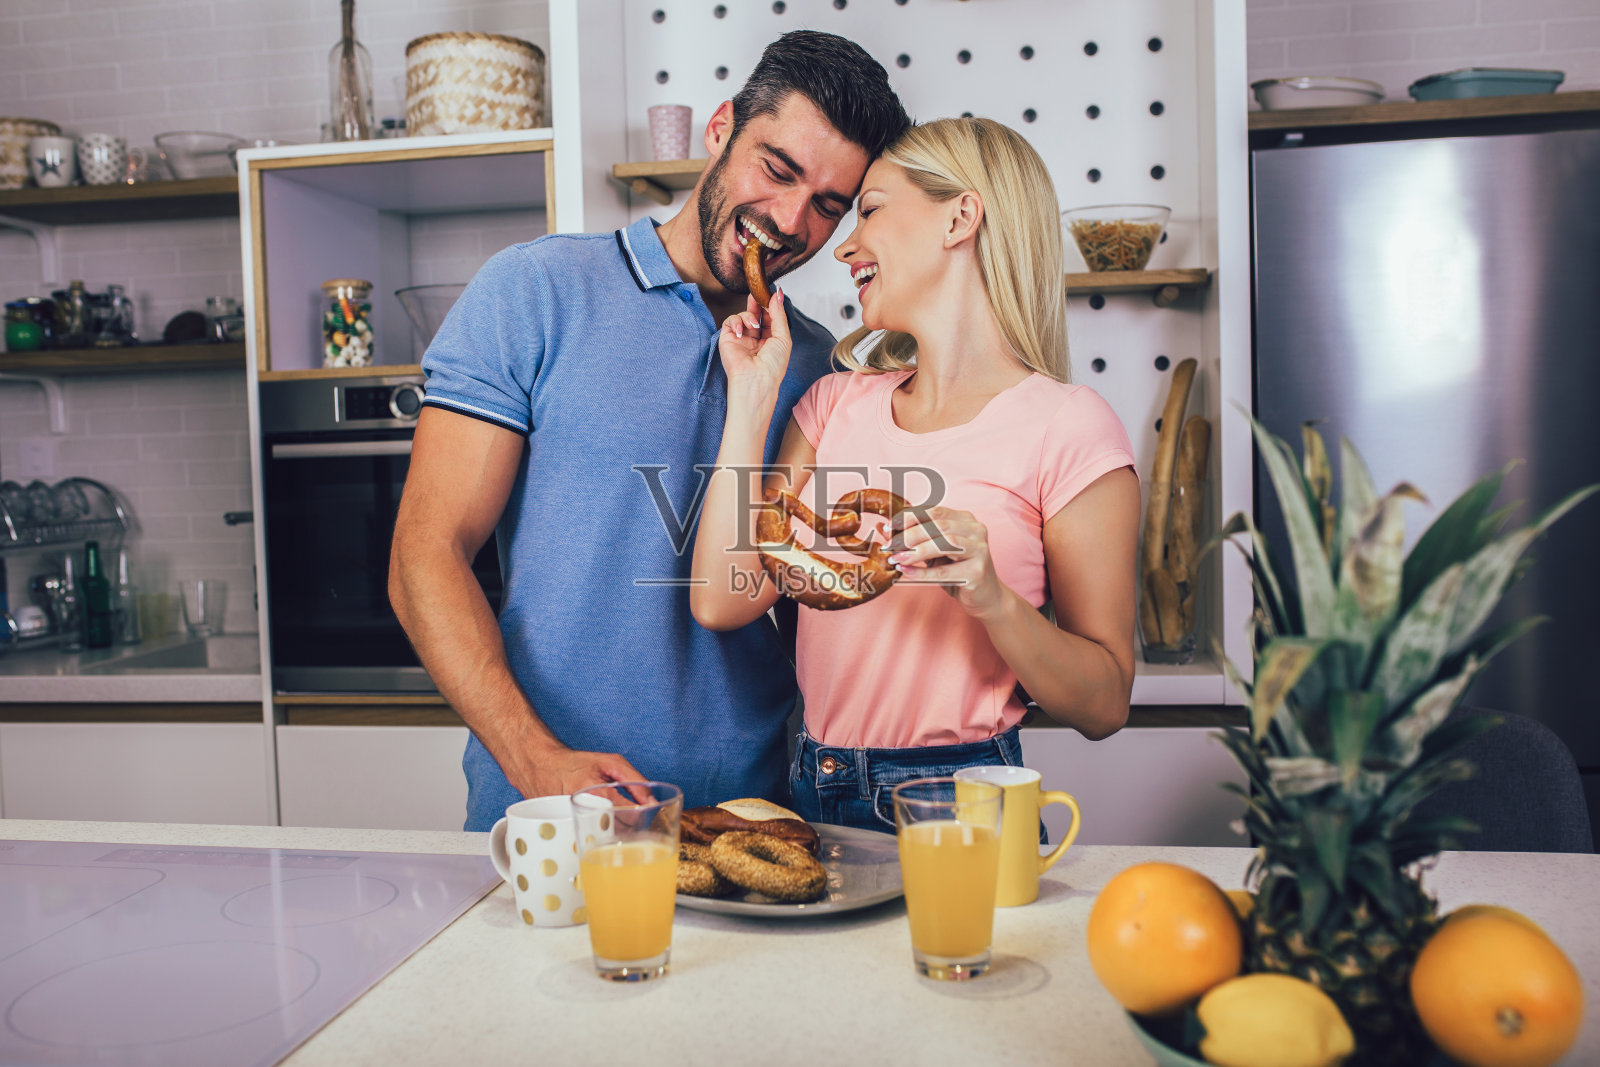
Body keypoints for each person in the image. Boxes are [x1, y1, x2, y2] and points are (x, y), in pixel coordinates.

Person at [390, 32, 911, 831]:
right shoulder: (535, 291)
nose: (788, 220)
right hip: (546, 811)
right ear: (720, 129)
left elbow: (811, 610)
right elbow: (425, 556)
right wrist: (534, 760)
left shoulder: (820, 370)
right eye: (776, 170)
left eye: (828, 206)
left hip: (758, 815)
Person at [689, 117, 1140, 832]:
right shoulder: (831, 404)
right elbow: (722, 599)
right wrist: (751, 395)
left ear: (961, 216)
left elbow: (1105, 702)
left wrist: (993, 599)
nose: (844, 246)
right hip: (812, 787)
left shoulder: (1071, 427)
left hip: (965, 804)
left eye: (869, 210)